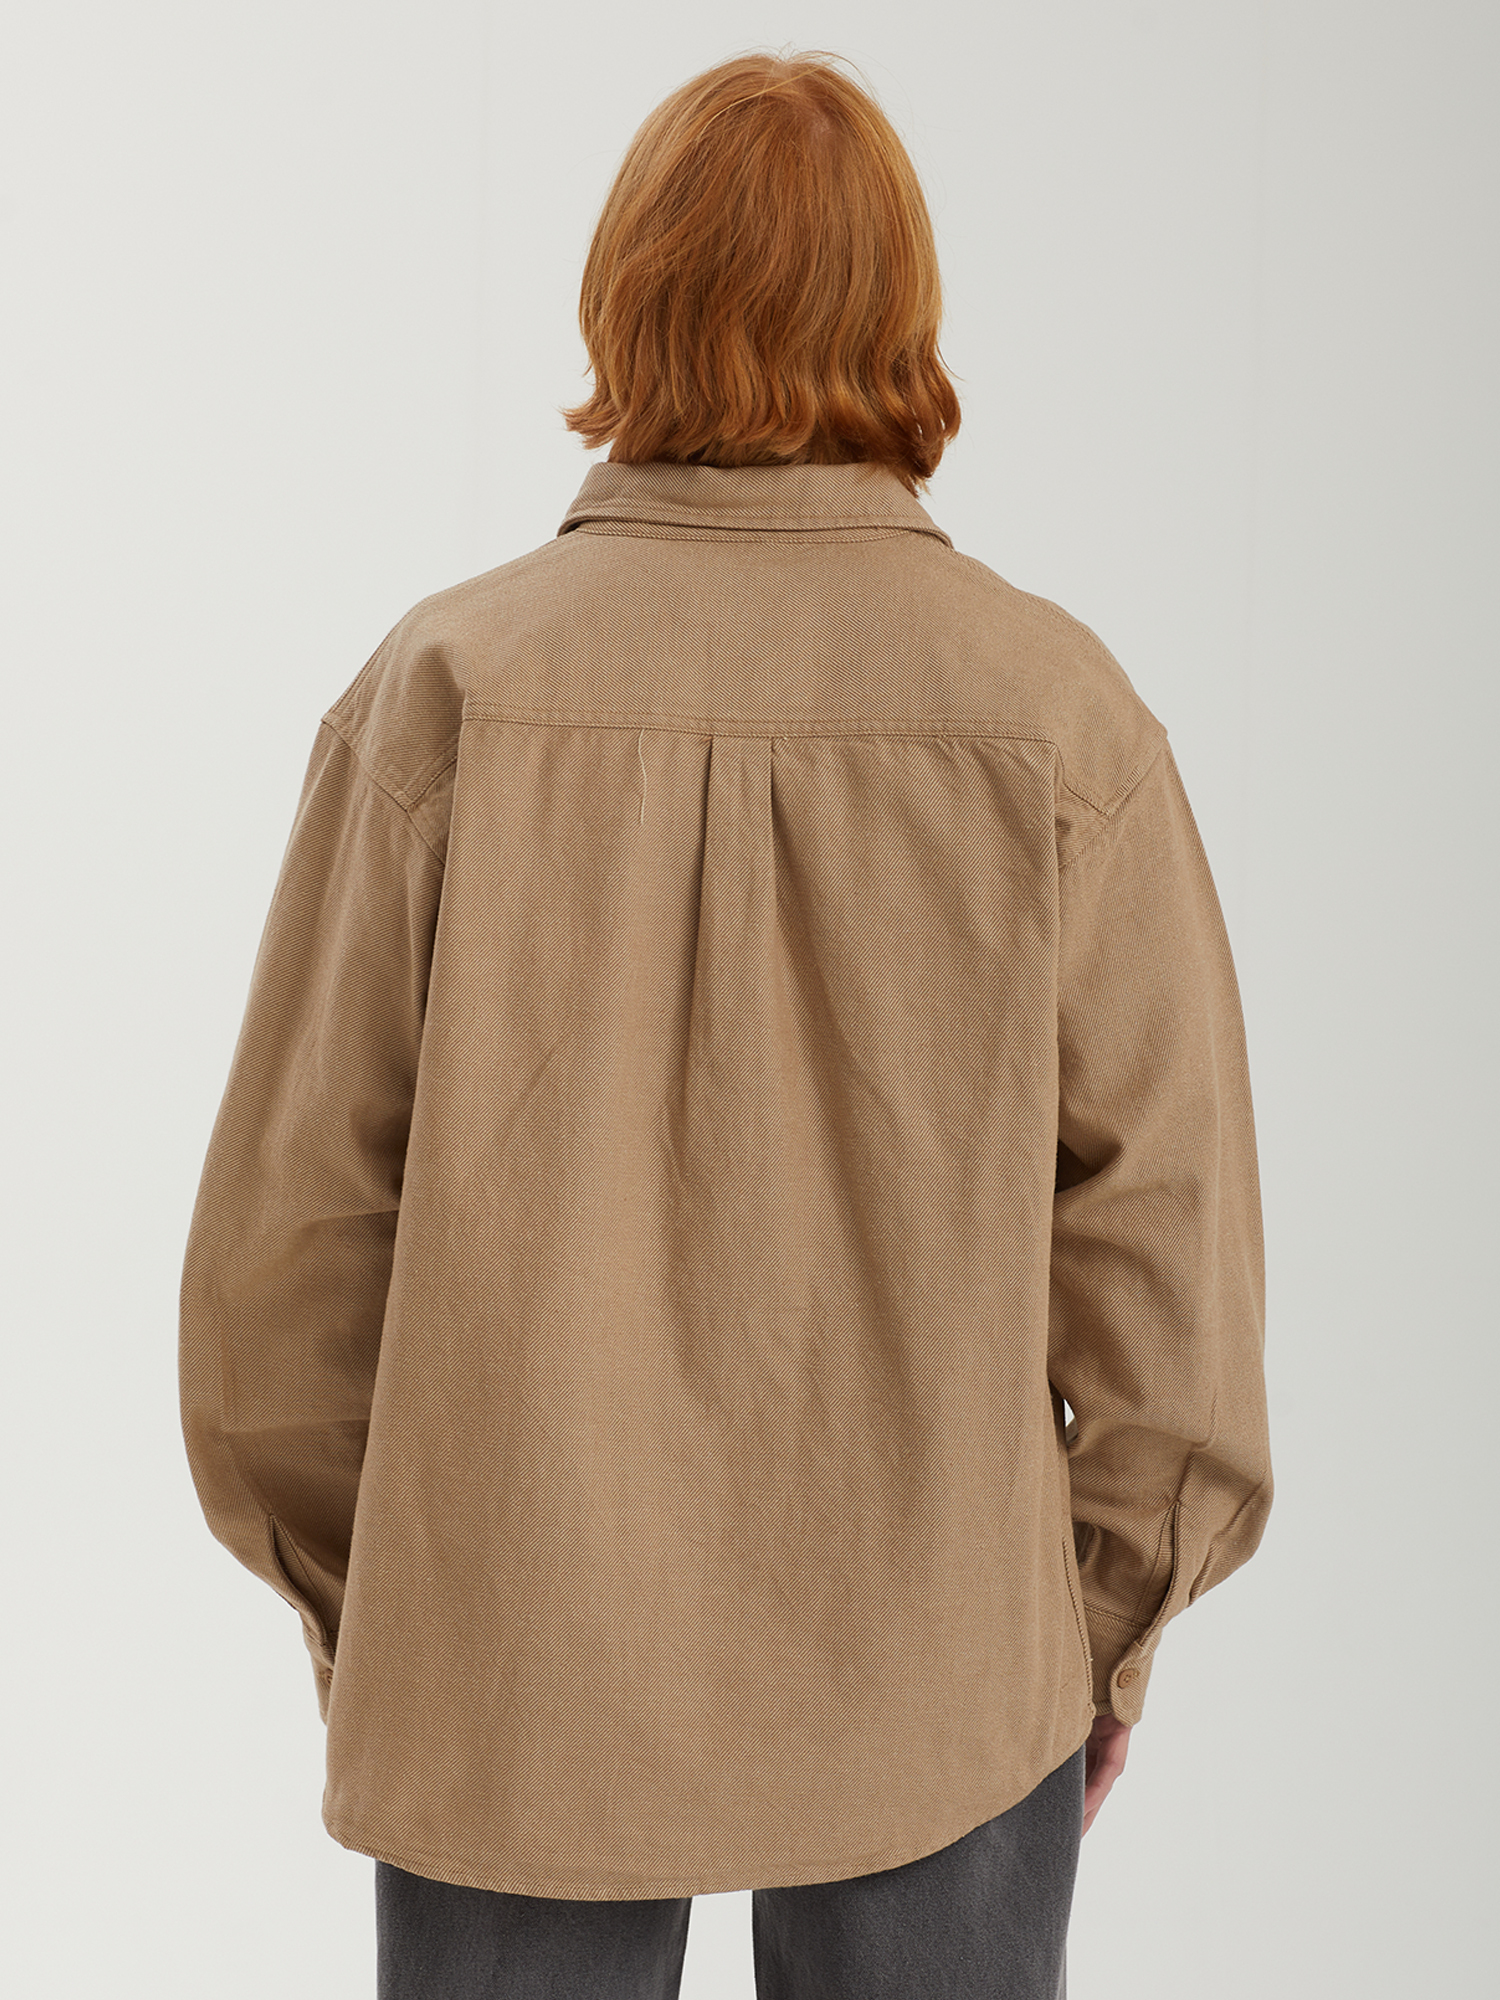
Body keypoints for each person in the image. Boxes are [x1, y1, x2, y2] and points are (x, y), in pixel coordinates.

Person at [178, 46, 1273, 2000]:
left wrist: (404, 1609)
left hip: (515, 1653)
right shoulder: (1058, 721)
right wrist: (1088, 1640)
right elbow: (1170, 1279)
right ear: (904, 311)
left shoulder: (445, 691)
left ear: (626, 295)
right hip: (948, 1674)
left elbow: (283, 1264)